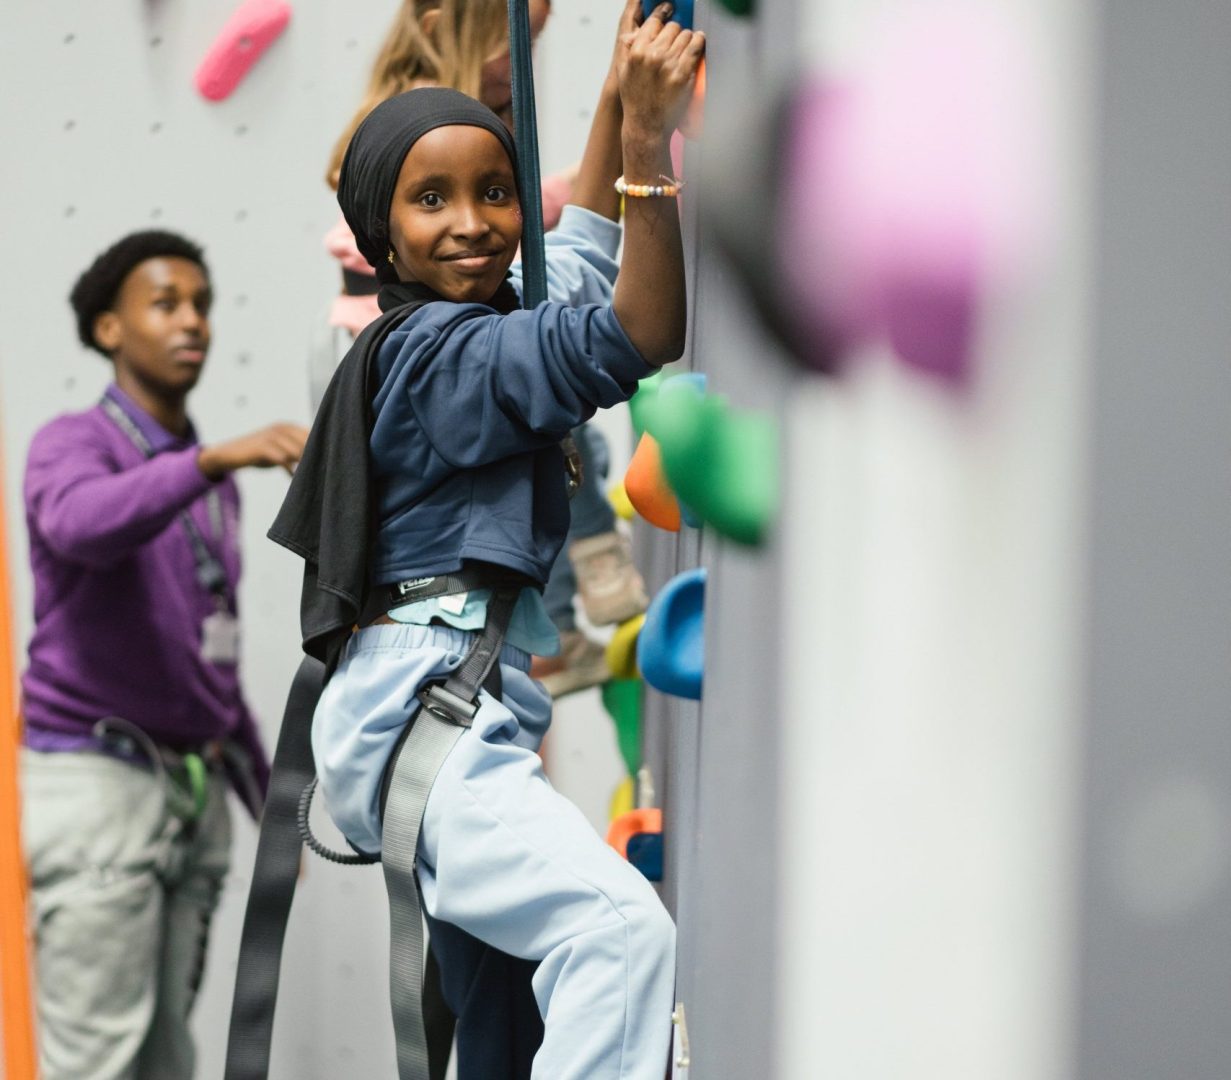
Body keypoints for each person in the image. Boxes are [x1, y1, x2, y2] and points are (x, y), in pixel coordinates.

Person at [270, 4, 703, 1074]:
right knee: (617, 934)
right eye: (432, 201)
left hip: (438, 707)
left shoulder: (456, 333)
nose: (472, 221)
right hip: (437, 713)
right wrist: (648, 148)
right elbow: (637, 332)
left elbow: (586, 265)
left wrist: (610, 104)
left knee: (506, 1042)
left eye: (495, 193)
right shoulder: (443, 358)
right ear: (381, 236)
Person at [19, 229, 309, 1079]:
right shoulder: (72, 445)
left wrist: (276, 814)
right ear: (109, 329)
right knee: (95, 1063)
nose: (194, 323)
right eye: (166, 303)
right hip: (98, 790)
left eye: (203, 305)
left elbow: (207, 675)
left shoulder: (199, 481)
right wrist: (214, 458)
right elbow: (80, 524)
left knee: (165, 1059)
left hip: (189, 800)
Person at [310, 0, 648, 700]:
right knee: (541, 417)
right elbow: (581, 285)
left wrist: (618, 104)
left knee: (531, 438)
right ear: (442, 34)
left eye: (493, 190)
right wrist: (630, 155)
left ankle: (552, 623)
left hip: (406, 332)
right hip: (388, 338)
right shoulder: (419, 120)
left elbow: (566, 257)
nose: (516, 88)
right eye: (507, 70)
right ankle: (582, 567)